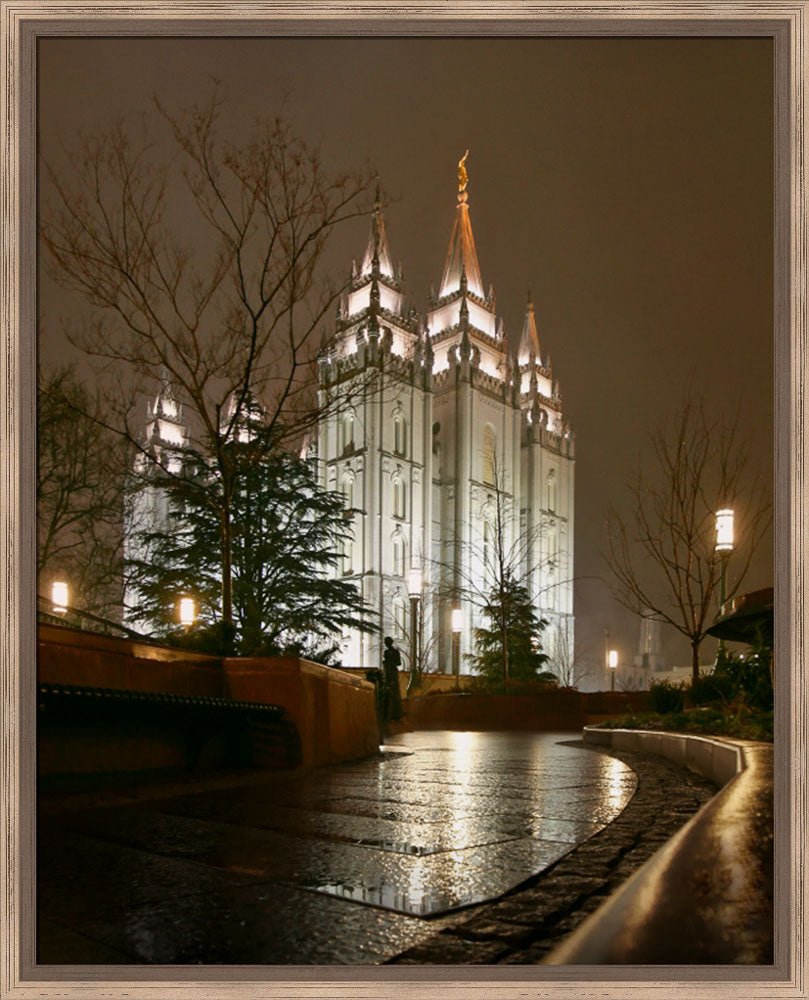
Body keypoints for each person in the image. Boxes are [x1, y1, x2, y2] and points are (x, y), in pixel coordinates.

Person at [382, 636, 403, 721]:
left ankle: (395, 714)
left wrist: (391, 663)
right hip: (389, 675)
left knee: (394, 695)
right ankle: (391, 714)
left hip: (392, 675)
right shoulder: (387, 652)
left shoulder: (393, 652)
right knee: (391, 695)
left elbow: (398, 663)